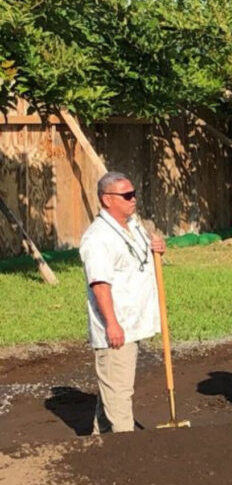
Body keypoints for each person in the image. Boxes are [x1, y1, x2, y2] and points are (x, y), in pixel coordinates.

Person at [80, 171, 165, 434]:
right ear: (107, 199)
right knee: (119, 390)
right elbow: (100, 283)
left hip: (133, 320)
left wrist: (157, 248)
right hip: (117, 326)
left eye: (134, 193)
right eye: (126, 195)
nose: (133, 199)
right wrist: (112, 324)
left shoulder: (133, 224)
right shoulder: (97, 238)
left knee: (114, 386)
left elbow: (141, 255)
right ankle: (127, 447)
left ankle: (100, 441)